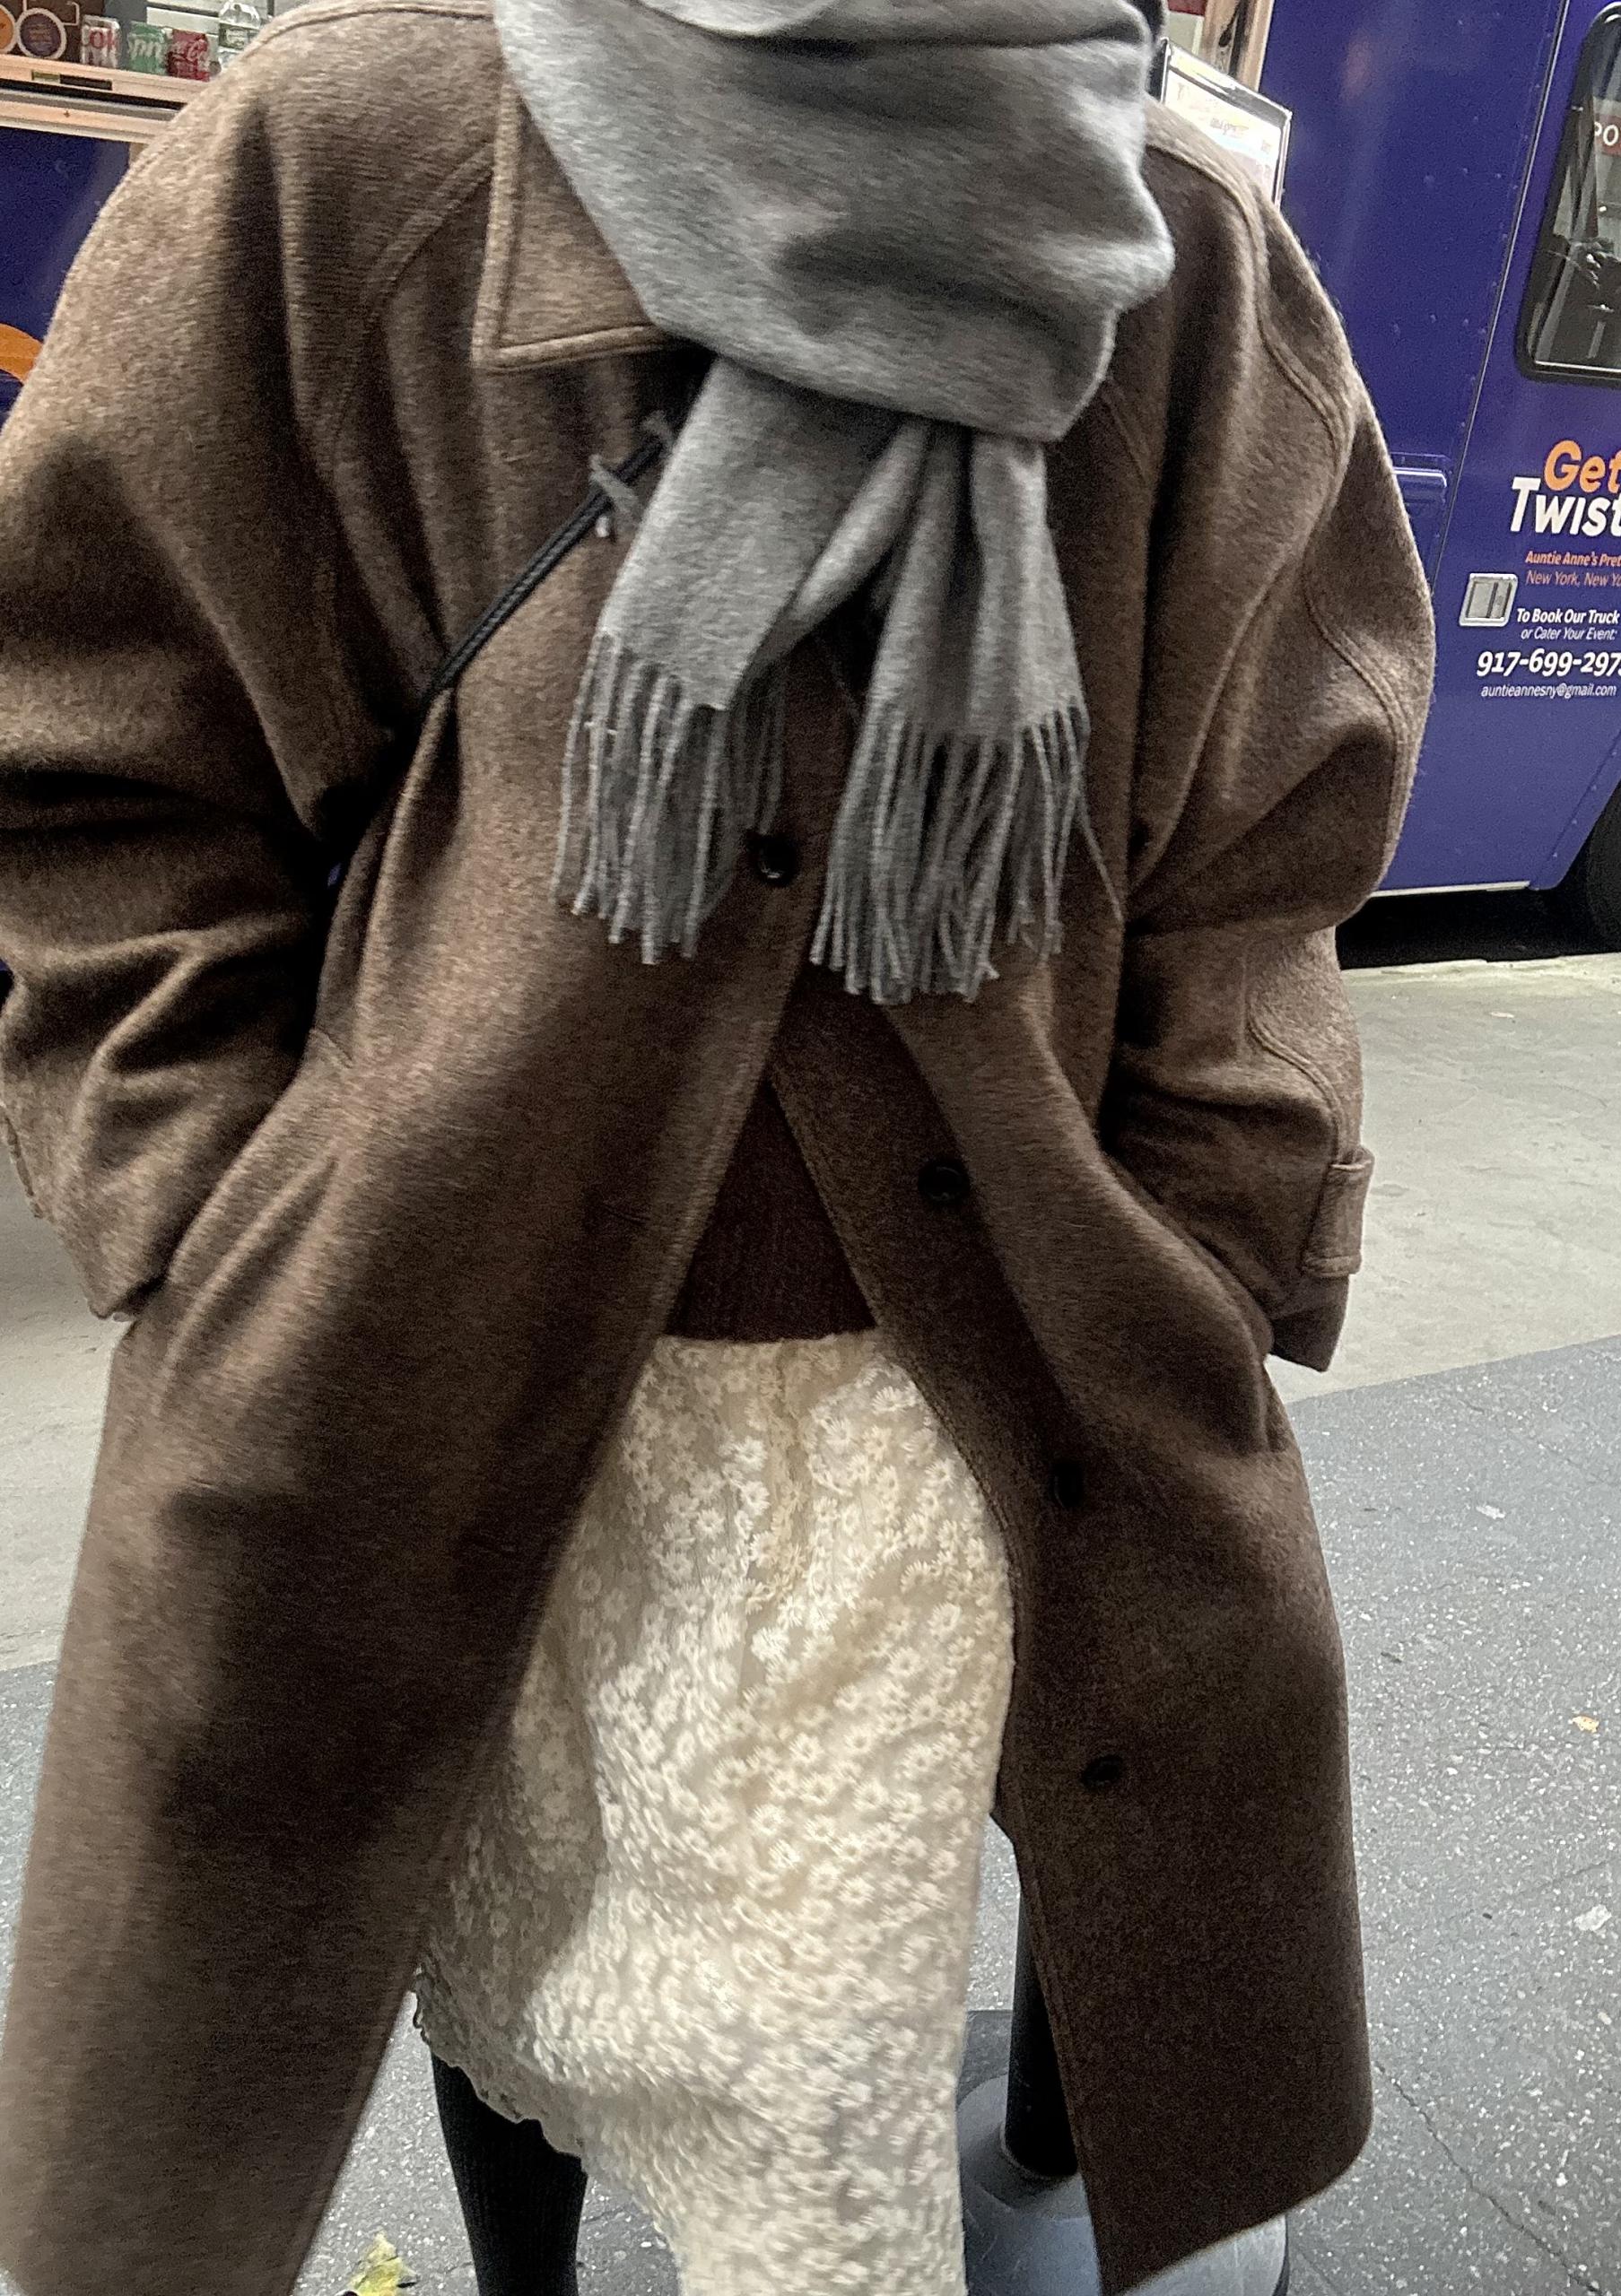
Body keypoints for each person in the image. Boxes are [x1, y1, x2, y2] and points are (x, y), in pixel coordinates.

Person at [0, 2, 1434, 2293]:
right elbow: (90, 747)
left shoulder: (1180, 237)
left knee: (820, 2091)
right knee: (498, 1950)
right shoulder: (346, 155)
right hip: (410, 1344)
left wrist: (1206, 1230)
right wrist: (206, 1206)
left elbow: (1274, 833)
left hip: (934, 1401)